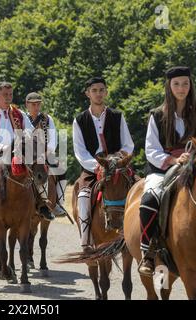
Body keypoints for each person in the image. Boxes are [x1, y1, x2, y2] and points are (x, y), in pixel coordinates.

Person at [136, 66, 196, 276]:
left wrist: (191, 160)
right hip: (163, 170)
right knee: (149, 200)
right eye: (176, 84)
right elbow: (151, 149)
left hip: (192, 169)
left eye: (185, 84)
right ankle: (148, 251)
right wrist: (172, 159)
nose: (181, 88)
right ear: (169, 87)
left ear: (190, 87)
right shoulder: (156, 116)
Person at [73, 77, 134, 249]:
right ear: (87, 93)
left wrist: (118, 160)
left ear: (106, 92)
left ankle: (142, 239)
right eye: (94, 90)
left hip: (119, 168)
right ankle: (86, 240)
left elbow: (128, 145)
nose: (98, 94)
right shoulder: (80, 120)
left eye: (101, 90)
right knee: (83, 197)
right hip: (92, 168)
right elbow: (80, 151)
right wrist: (96, 166)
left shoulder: (117, 116)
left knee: (140, 190)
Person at [0, 81, 40, 235]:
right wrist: (1, 147)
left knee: (39, 173)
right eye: (5, 95)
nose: (8, 97)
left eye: (10, 94)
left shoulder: (19, 114)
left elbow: (30, 132)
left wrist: (22, 142)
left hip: (17, 156)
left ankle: (41, 205)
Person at [25, 92, 67, 218]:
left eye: (38, 104)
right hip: (26, 154)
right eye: (33, 104)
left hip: (44, 153)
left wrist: (46, 152)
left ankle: (58, 202)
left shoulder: (47, 119)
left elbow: (53, 138)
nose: (36, 107)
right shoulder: (22, 118)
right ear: (27, 105)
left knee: (61, 168)